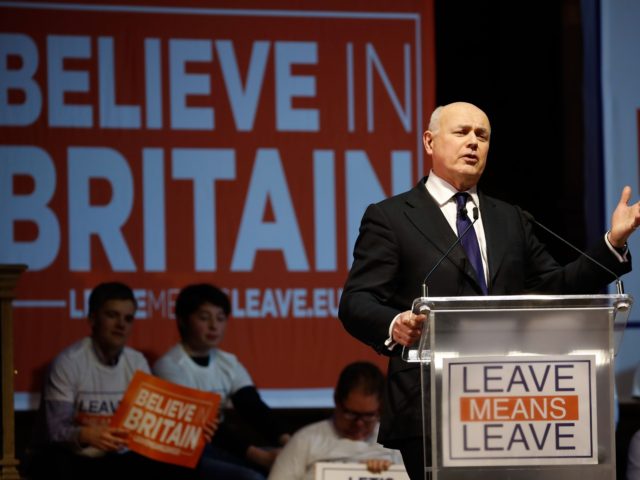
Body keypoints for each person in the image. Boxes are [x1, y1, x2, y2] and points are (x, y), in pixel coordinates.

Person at [338, 101, 640, 479]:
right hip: (431, 403)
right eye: (461, 132)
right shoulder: (392, 218)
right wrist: (395, 324)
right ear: (430, 142)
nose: (473, 143)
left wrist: (612, 242)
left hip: (512, 403)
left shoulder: (509, 218)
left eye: (481, 135)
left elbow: (558, 287)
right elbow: (356, 302)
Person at [30, 281, 198, 479]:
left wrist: (194, 425)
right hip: (78, 458)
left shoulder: (136, 361)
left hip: (122, 456)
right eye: (112, 315)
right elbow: (55, 430)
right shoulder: (68, 362)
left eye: (128, 319)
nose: (121, 325)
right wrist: (85, 435)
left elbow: (152, 422)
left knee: (184, 466)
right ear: (92, 319)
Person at [153, 283, 290, 479]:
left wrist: (289, 443)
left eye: (220, 318)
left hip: (223, 446)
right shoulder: (169, 366)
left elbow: (252, 406)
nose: (214, 326)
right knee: (253, 476)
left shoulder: (228, 362)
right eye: (204, 317)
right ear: (183, 320)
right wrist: (260, 457)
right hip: (188, 452)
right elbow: (201, 425)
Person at [267, 361, 403, 480]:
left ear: (380, 408)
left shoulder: (395, 443)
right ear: (336, 401)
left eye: (368, 416)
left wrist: (389, 472)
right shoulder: (306, 440)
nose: (359, 423)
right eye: (350, 414)